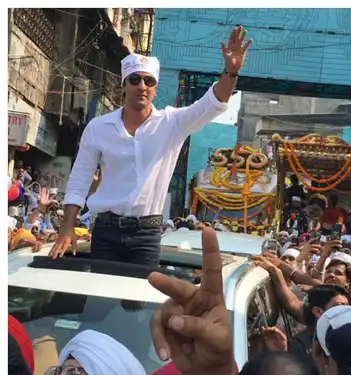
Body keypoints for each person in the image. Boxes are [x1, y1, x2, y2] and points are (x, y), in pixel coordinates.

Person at [49, 26, 252, 266]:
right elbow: (80, 180)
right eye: (134, 79)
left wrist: (230, 72)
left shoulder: (172, 123)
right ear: (123, 85)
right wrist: (67, 228)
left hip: (146, 234)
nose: (141, 86)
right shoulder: (98, 127)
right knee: (99, 298)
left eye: (148, 80)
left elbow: (212, 103)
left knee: (140, 300)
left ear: (155, 89)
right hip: (105, 230)